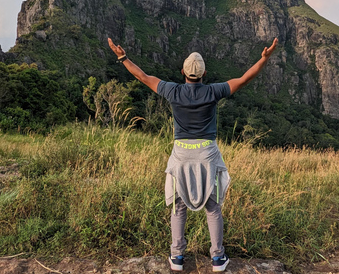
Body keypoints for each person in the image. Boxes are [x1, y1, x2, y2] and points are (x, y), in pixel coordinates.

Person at [107, 37, 279, 272]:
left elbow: (143, 77)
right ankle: (218, 259)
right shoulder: (213, 91)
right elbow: (245, 78)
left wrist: (123, 57)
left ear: (183, 72)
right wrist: (264, 58)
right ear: (204, 73)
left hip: (181, 154)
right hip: (207, 154)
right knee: (213, 207)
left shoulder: (173, 91)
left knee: (179, 207)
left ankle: (177, 257)